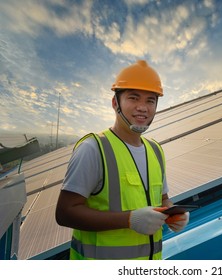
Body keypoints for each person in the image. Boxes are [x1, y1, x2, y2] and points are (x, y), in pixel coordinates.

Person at [55, 60, 189, 260]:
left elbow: (162, 199)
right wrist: (129, 220)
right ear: (115, 103)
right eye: (133, 98)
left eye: (150, 100)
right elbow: (65, 213)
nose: (142, 107)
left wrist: (174, 213)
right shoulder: (94, 148)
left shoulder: (155, 150)